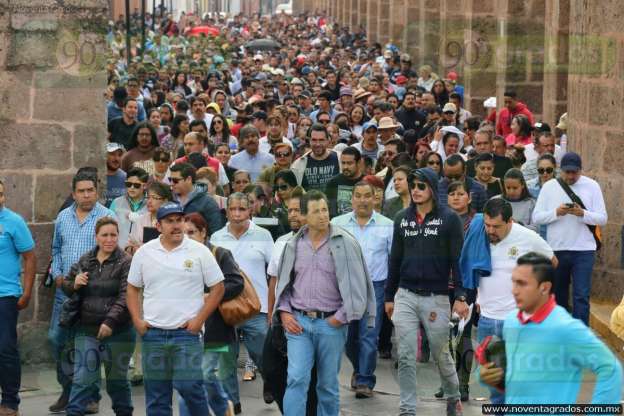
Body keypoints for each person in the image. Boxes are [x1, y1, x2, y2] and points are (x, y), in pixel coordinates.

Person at [274, 190, 376, 416]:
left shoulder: (345, 242)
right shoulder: (293, 244)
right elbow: (284, 283)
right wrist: (284, 312)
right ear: (303, 216)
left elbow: (358, 285)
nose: (322, 216)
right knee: (296, 378)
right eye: (315, 211)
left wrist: (339, 318)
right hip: (298, 322)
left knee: (328, 385)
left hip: (331, 324)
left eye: (324, 210)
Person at [479, 252, 622, 406]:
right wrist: (490, 378)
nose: (514, 290)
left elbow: (611, 370)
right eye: (514, 282)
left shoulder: (565, 328)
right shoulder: (512, 321)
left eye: (522, 284)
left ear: (544, 287)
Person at [126, 202, 225, 416]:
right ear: (158, 225)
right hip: (153, 334)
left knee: (190, 388)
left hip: (186, 335)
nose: (176, 225)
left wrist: (199, 321)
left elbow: (219, 288)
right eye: (170, 221)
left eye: (179, 220)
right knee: (157, 397)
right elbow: (132, 288)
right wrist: (137, 321)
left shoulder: (199, 251)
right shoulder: (145, 252)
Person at [385, 167, 468, 416]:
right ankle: (408, 408)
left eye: (422, 186)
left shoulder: (449, 219)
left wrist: (461, 297)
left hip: (437, 297)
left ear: (432, 188)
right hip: (406, 295)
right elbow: (395, 259)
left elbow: (458, 261)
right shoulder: (402, 218)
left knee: (442, 356)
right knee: (407, 355)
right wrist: (389, 296)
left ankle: (453, 397)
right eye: (413, 186)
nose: (416, 190)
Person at [461, 198, 555, 405]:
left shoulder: (527, 237)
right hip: (486, 319)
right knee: (496, 382)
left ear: (510, 221)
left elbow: (552, 262)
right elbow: (471, 268)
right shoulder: (479, 233)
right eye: (487, 225)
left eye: (496, 226)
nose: (490, 231)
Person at [49, 171, 115, 413]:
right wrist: (57, 275)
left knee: (88, 346)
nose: (86, 195)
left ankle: (90, 396)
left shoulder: (107, 217)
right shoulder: (63, 217)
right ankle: (68, 390)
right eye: (81, 191)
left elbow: (112, 255)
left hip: (93, 294)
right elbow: (55, 250)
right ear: (73, 192)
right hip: (65, 292)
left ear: (96, 191)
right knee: (57, 340)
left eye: (90, 190)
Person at [61, 217, 135, 416]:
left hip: (119, 331)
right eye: (105, 235)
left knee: (116, 382)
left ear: (118, 236)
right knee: (83, 379)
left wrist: (110, 321)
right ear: (96, 237)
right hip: (87, 330)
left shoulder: (126, 262)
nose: (109, 239)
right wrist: (74, 283)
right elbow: (66, 286)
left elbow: (126, 295)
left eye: (113, 235)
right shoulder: (86, 260)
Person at [210, 193, 275, 407]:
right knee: (226, 361)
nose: (237, 214)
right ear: (227, 211)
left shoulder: (263, 235)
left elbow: (274, 272)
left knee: (264, 356)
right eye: (233, 209)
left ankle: (270, 381)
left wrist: (274, 307)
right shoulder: (216, 238)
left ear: (250, 211)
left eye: (242, 209)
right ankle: (232, 404)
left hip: (257, 308)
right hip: (225, 309)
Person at [331, 181, 393, 399]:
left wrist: (390, 293)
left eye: (368, 196)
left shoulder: (387, 225)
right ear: (352, 198)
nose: (363, 200)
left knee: (369, 336)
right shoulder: (337, 224)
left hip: (375, 287)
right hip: (344, 286)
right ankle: (359, 369)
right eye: (358, 196)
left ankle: (365, 380)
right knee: (349, 337)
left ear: (375, 198)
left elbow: (393, 260)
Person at [178, 213, 242, 416]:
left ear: (203, 233)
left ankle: (223, 406)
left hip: (216, 328)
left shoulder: (219, 254)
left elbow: (236, 283)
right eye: (184, 233)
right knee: (186, 382)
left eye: (192, 232)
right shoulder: (178, 257)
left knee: (205, 374)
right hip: (185, 328)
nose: (187, 237)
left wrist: (210, 296)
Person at [532, 152, 607, 325]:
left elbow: (602, 218)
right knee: (558, 296)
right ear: (560, 170)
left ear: (581, 170)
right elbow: (537, 217)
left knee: (581, 296)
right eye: (567, 172)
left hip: (584, 250)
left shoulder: (592, 186)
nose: (571, 176)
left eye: (575, 172)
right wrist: (556, 213)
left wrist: (583, 214)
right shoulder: (549, 186)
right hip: (557, 249)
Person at [0, 179, 36, 416]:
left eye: (1, 194)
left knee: (5, 348)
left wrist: (27, 291)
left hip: (6, 296)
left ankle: (10, 402)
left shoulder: (14, 221)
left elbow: (30, 257)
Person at [169, 162, 224, 237]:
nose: (171, 183)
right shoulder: (168, 199)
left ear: (189, 179)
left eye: (175, 180)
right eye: (170, 179)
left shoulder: (207, 202)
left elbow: (216, 233)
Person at [291, 123, 341, 191]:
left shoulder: (340, 159)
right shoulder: (297, 165)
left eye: (321, 140)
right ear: (309, 141)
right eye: (314, 140)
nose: (318, 144)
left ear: (328, 140)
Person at [109, 167, 148, 249]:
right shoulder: (116, 202)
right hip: (119, 252)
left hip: (141, 252)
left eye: (136, 185)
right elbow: (109, 227)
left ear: (144, 186)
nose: (132, 188)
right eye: (128, 184)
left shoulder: (150, 204)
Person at [325, 146, 364, 217]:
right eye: (343, 163)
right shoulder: (333, 183)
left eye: (349, 163)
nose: (345, 167)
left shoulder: (366, 182)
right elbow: (330, 211)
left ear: (358, 163)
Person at [105, 142, 127, 208]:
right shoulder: (96, 177)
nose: (116, 158)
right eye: (112, 154)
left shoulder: (126, 178)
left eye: (119, 155)